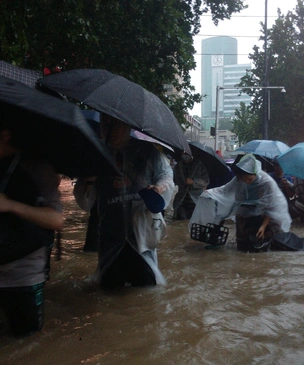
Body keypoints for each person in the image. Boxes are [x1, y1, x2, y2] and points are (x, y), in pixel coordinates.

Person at [74, 113, 174, 288]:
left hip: (142, 237)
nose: (110, 129)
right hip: (110, 236)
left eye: (116, 124)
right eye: (106, 123)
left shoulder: (147, 152)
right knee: (110, 291)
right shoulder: (96, 154)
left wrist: (159, 188)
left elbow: (166, 177)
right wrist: (89, 180)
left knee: (145, 291)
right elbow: (84, 203)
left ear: (128, 126)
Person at [0, 118, 63, 336]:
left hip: (23, 275)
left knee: (26, 343)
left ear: (5, 134)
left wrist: (10, 205)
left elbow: (57, 220)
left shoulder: (37, 168)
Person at [189, 154, 292, 252]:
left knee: (273, 244)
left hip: (266, 216)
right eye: (244, 179)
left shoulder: (266, 183)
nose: (247, 181)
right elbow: (225, 190)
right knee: (242, 246)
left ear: (255, 174)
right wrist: (210, 193)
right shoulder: (239, 179)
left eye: (250, 179)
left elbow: (271, 207)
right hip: (246, 212)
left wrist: (263, 226)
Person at [173, 153, 210, 220]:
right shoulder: (178, 166)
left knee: (194, 224)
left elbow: (206, 181)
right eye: (183, 153)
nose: (184, 155)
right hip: (181, 202)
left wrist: (193, 181)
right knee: (181, 222)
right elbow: (173, 181)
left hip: (195, 201)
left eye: (186, 153)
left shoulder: (199, 165)